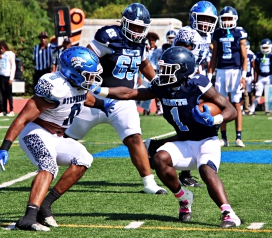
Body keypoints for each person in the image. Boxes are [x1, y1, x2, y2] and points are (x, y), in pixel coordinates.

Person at [92, 46, 241, 228]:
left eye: (168, 69)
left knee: (206, 171)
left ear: (183, 69)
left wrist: (214, 119)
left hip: (205, 140)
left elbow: (231, 110)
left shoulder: (197, 83)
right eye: (162, 68)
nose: (162, 72)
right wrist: (99, 90)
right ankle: (184, 198)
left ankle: (229, 214)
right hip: (184, 141)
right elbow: (130, 93)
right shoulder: (161, 86)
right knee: (159, 159)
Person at [0, 46, 115, 231]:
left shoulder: (77, 86)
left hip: (56, 136)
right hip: (36, 132)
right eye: (87, 75)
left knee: (84, 159)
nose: (92, 79)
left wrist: (103, 104)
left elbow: (86, 98)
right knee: (48, 165)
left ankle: (45, 205)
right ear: (72, 72)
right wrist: (4, 147)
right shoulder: (55, 87)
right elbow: (23, 118)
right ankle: (29, 217)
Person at [64, 3, 167, 195]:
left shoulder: (141, 43)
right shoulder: (108, 36)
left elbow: (143, 62)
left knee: (134, 138)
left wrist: (156, 81)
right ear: (124, 23)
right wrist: (84, 86)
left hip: (124, 101)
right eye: (133, 26)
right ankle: (45, 167)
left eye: (140, 28)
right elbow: (86, 57)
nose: (137, 32)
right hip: (95, 98)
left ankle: (149, 183)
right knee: (67, 137)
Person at [145, 1, 218, 187]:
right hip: (182, 81)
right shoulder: (188, 33)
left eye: (210, 20)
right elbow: (181, 56)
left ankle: (157, 149)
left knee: (193, 127)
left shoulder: (206, 35)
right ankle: (168, 159)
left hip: (191, 80)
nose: (206, 23)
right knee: (191, 127)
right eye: (202, 19)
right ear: (193, 17)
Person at [207, 6, 248, 148]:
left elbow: (244, 57)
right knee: (221, 104)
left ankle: (238, 136)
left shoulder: (239, 33)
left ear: (235, 19)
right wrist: (209, 75)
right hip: (221, 71)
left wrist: (243, 75)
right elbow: (214, 56)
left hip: (235, 72)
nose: (227, 21)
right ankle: (224, 138)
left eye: (229, 18)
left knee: (237, 104)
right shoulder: (217, 33)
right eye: (224, 18)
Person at [248, 38, 272, 116]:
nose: (265, 49)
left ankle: (268, 110)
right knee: (258, 94)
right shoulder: (258, 55)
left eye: (266, 47)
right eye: (264, 48)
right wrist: (255, 79)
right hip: (261, 76)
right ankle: (252, 109)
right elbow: (256, 67)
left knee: (268, 95)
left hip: (269, 76)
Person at [142, 32, 163, 116]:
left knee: (157, 92)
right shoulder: (144, 50)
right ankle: (146, 109)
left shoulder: (159, 50)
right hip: (146, 72)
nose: (151, 42)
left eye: (153, 41)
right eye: (150, 40)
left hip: (156, 72)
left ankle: (159, 109)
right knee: (145, 91)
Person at [0, 40, 16, 117]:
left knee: (8, 95)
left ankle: (11, 110)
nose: (1, 50)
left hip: (7, 76)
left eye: (2, 48)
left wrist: (11, 78)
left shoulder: (9, 54)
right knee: (0, 94)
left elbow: (13, 66)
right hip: (0, 76)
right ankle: (3, 110)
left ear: (5, 48)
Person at [243, 40, 256, 114]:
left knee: (250, 93)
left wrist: (254, 77)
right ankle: (245, 108)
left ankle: (250, 107)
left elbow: (254, 66)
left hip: (249, 76)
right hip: (243, 75)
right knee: (244, 93)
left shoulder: (251, 54)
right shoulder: (240, 53)